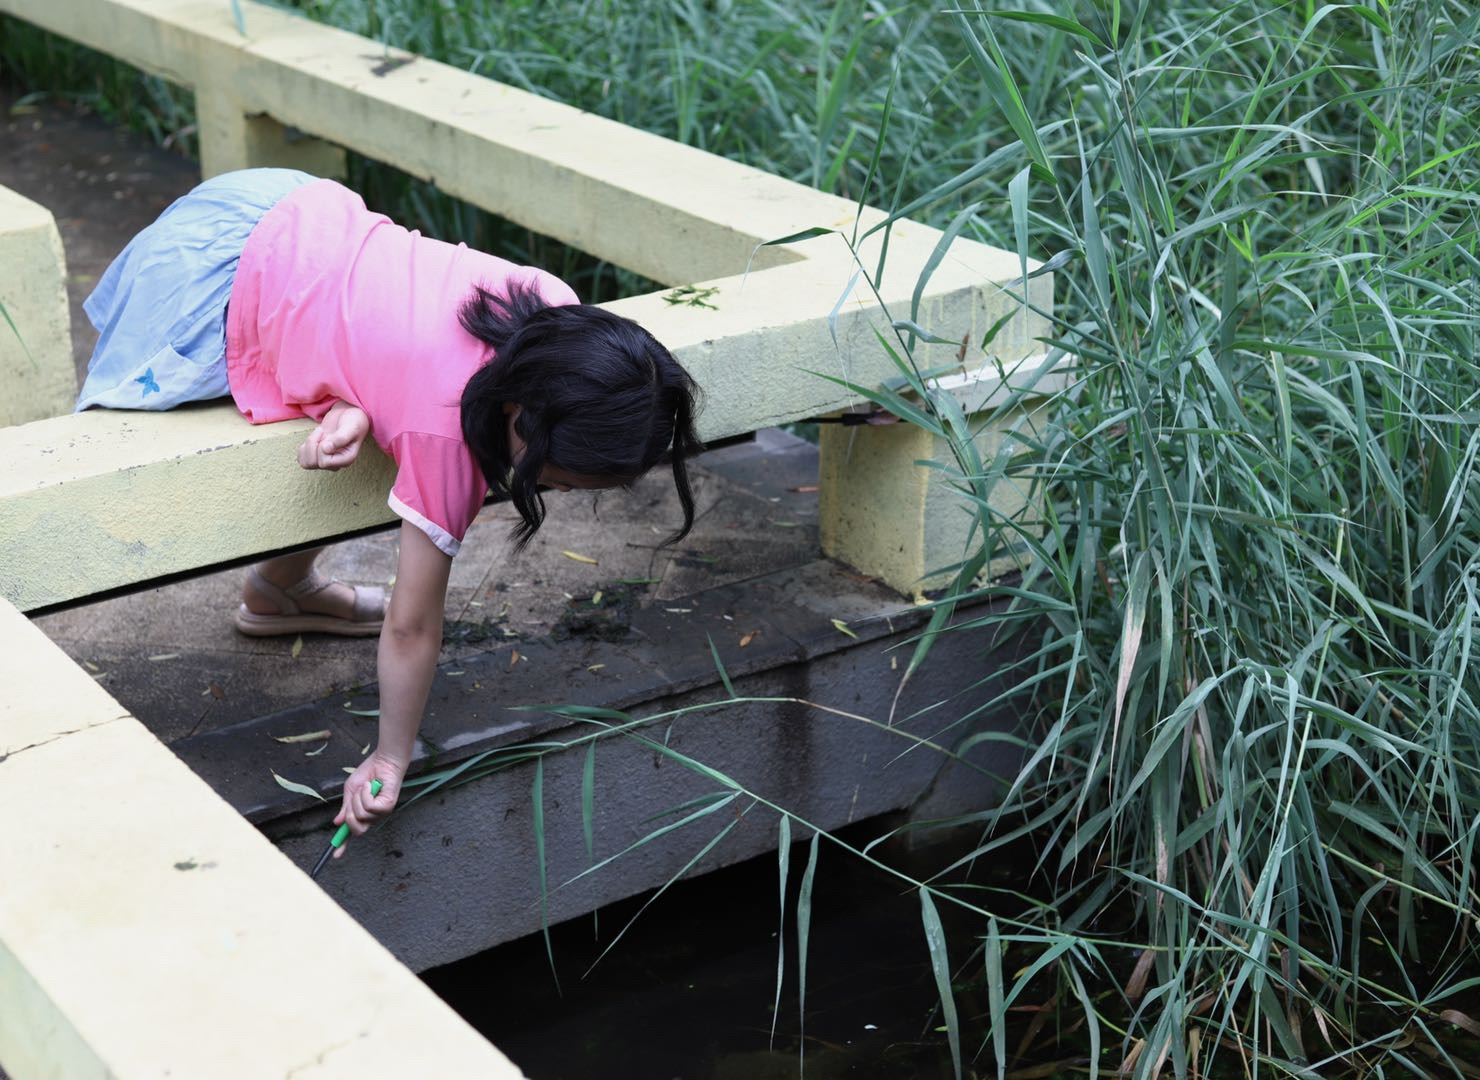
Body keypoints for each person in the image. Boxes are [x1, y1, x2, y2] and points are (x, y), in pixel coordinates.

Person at [76, 168, 702, 858]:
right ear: (521, 417)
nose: (569, 493)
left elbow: (400, 319)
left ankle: (279, 590)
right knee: (388, 463)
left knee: (365, 432)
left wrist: (361, 399)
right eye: (567, 479)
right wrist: (389, 757)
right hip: (213, 274)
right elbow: (411, 626)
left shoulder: (551, 306)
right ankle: (278, 583)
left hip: (290, 208)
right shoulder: (440, 437)